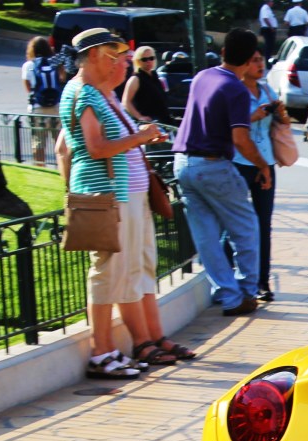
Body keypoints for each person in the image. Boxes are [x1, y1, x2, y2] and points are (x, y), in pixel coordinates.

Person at [58, 29, 193, 378]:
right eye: (111, 54)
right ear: (91, 56)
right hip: (108, 197)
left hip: (125, 196)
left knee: (127, 270)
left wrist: (140, 137)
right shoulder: (83, 93)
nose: (119, 61)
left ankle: (124, 345)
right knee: (107, 274)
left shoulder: (99, 95)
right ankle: (100, 351)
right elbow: (95, 148)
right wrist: (142, 136)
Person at [173, 28, 273, 317]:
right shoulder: (236, 89)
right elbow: (241, 139)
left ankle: (228, 296)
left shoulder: (203, 76)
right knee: (246, 228)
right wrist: (263, 165)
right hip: (213, 164)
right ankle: (246, 292)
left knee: (205, 237)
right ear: (246, 60)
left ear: (223, 52)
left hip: (183, 163)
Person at [231, 50, 284, 302]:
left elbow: (282, 124)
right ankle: (232, 279)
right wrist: (253, 116)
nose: (259, 64)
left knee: (264, 224)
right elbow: (231, 126)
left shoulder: (267, 91)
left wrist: (281, 113)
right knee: (235, 222)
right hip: (240, 162)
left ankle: (262, 281)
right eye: (253, 60)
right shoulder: (236, 91)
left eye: (261, 60)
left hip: (266, 162)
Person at [22, 37, 64, 168]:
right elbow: (62, 79)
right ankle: (62, 167)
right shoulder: (55, 63)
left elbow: (28, 89)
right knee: (59, 140)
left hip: (38, 108)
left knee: (39, 141)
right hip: (57, 107)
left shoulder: (28, 65)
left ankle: (40, 166)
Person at [122, 46, 171, 125]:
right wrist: (140, 117)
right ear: (138, 61)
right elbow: (125, 102)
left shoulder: (156, 77)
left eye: (151, 58)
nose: (148, 61)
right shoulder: (136, 79)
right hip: (149, 124)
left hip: (164, 121)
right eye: (144, 59)